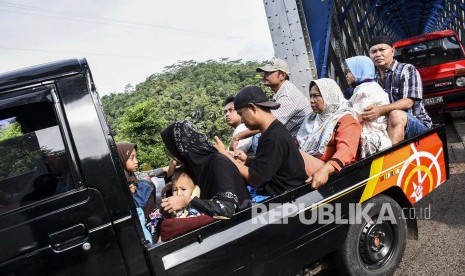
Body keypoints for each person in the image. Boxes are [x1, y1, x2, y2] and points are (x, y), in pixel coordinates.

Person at [214, 86, 308, 196]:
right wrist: (248, 160)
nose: (242, 120)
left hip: (287, 198)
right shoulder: (272, 131)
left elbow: (255, 179)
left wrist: (226, 156)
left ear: (252, 108)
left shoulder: (273, 137)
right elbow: (269, 163)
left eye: (241, 114)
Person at [160, 120, 251, 219]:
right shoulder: (191, 166)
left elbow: (226, 209)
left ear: (179, 147)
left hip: (244, 222)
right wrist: (171, 185)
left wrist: (188, 201)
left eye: (170, 148)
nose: (170, 154)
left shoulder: (217, 163)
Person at [230, 58, 311, 149]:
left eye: (269, 73)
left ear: (282, 75)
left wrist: (238, 137)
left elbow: (268, 123)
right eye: (264, 72)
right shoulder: (282, 91)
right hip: (289, 140)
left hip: (297, 146)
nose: (265, 75)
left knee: (258, 138)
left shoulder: (288, 95)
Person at [297, 79, 362, 188]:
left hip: (328, 170)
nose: (311, 101)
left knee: (287, 150)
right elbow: (297, 143)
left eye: (316, 96)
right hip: (311, 164)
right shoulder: (312, 118)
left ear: (329, 96)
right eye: (310, 96)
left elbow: (346, 151)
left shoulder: (346, 120)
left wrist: (326, 170)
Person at [367, 35, 432, 144]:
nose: (378, 54)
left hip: (417, 124)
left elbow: (408, 102)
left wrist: (380, 110)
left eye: (382, 50)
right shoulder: (372, 79)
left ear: (392, 51)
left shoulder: (407, 70)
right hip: (387, 126)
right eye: (373, 52)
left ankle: (391, 158)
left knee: (395, 115)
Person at [345, 56, 392, 158]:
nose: (346, 75)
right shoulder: (368, 87)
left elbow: (356, 117)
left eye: (349, 71)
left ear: (359, 71)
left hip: (371, 139)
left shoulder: (366, 91)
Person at [116, 142, 155, 217]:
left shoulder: (130, 174)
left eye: (136, 157)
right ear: (122, 157)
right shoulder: (120, 177)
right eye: (132, 158)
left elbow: (145, 173)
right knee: (146, 185)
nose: (136, 161)